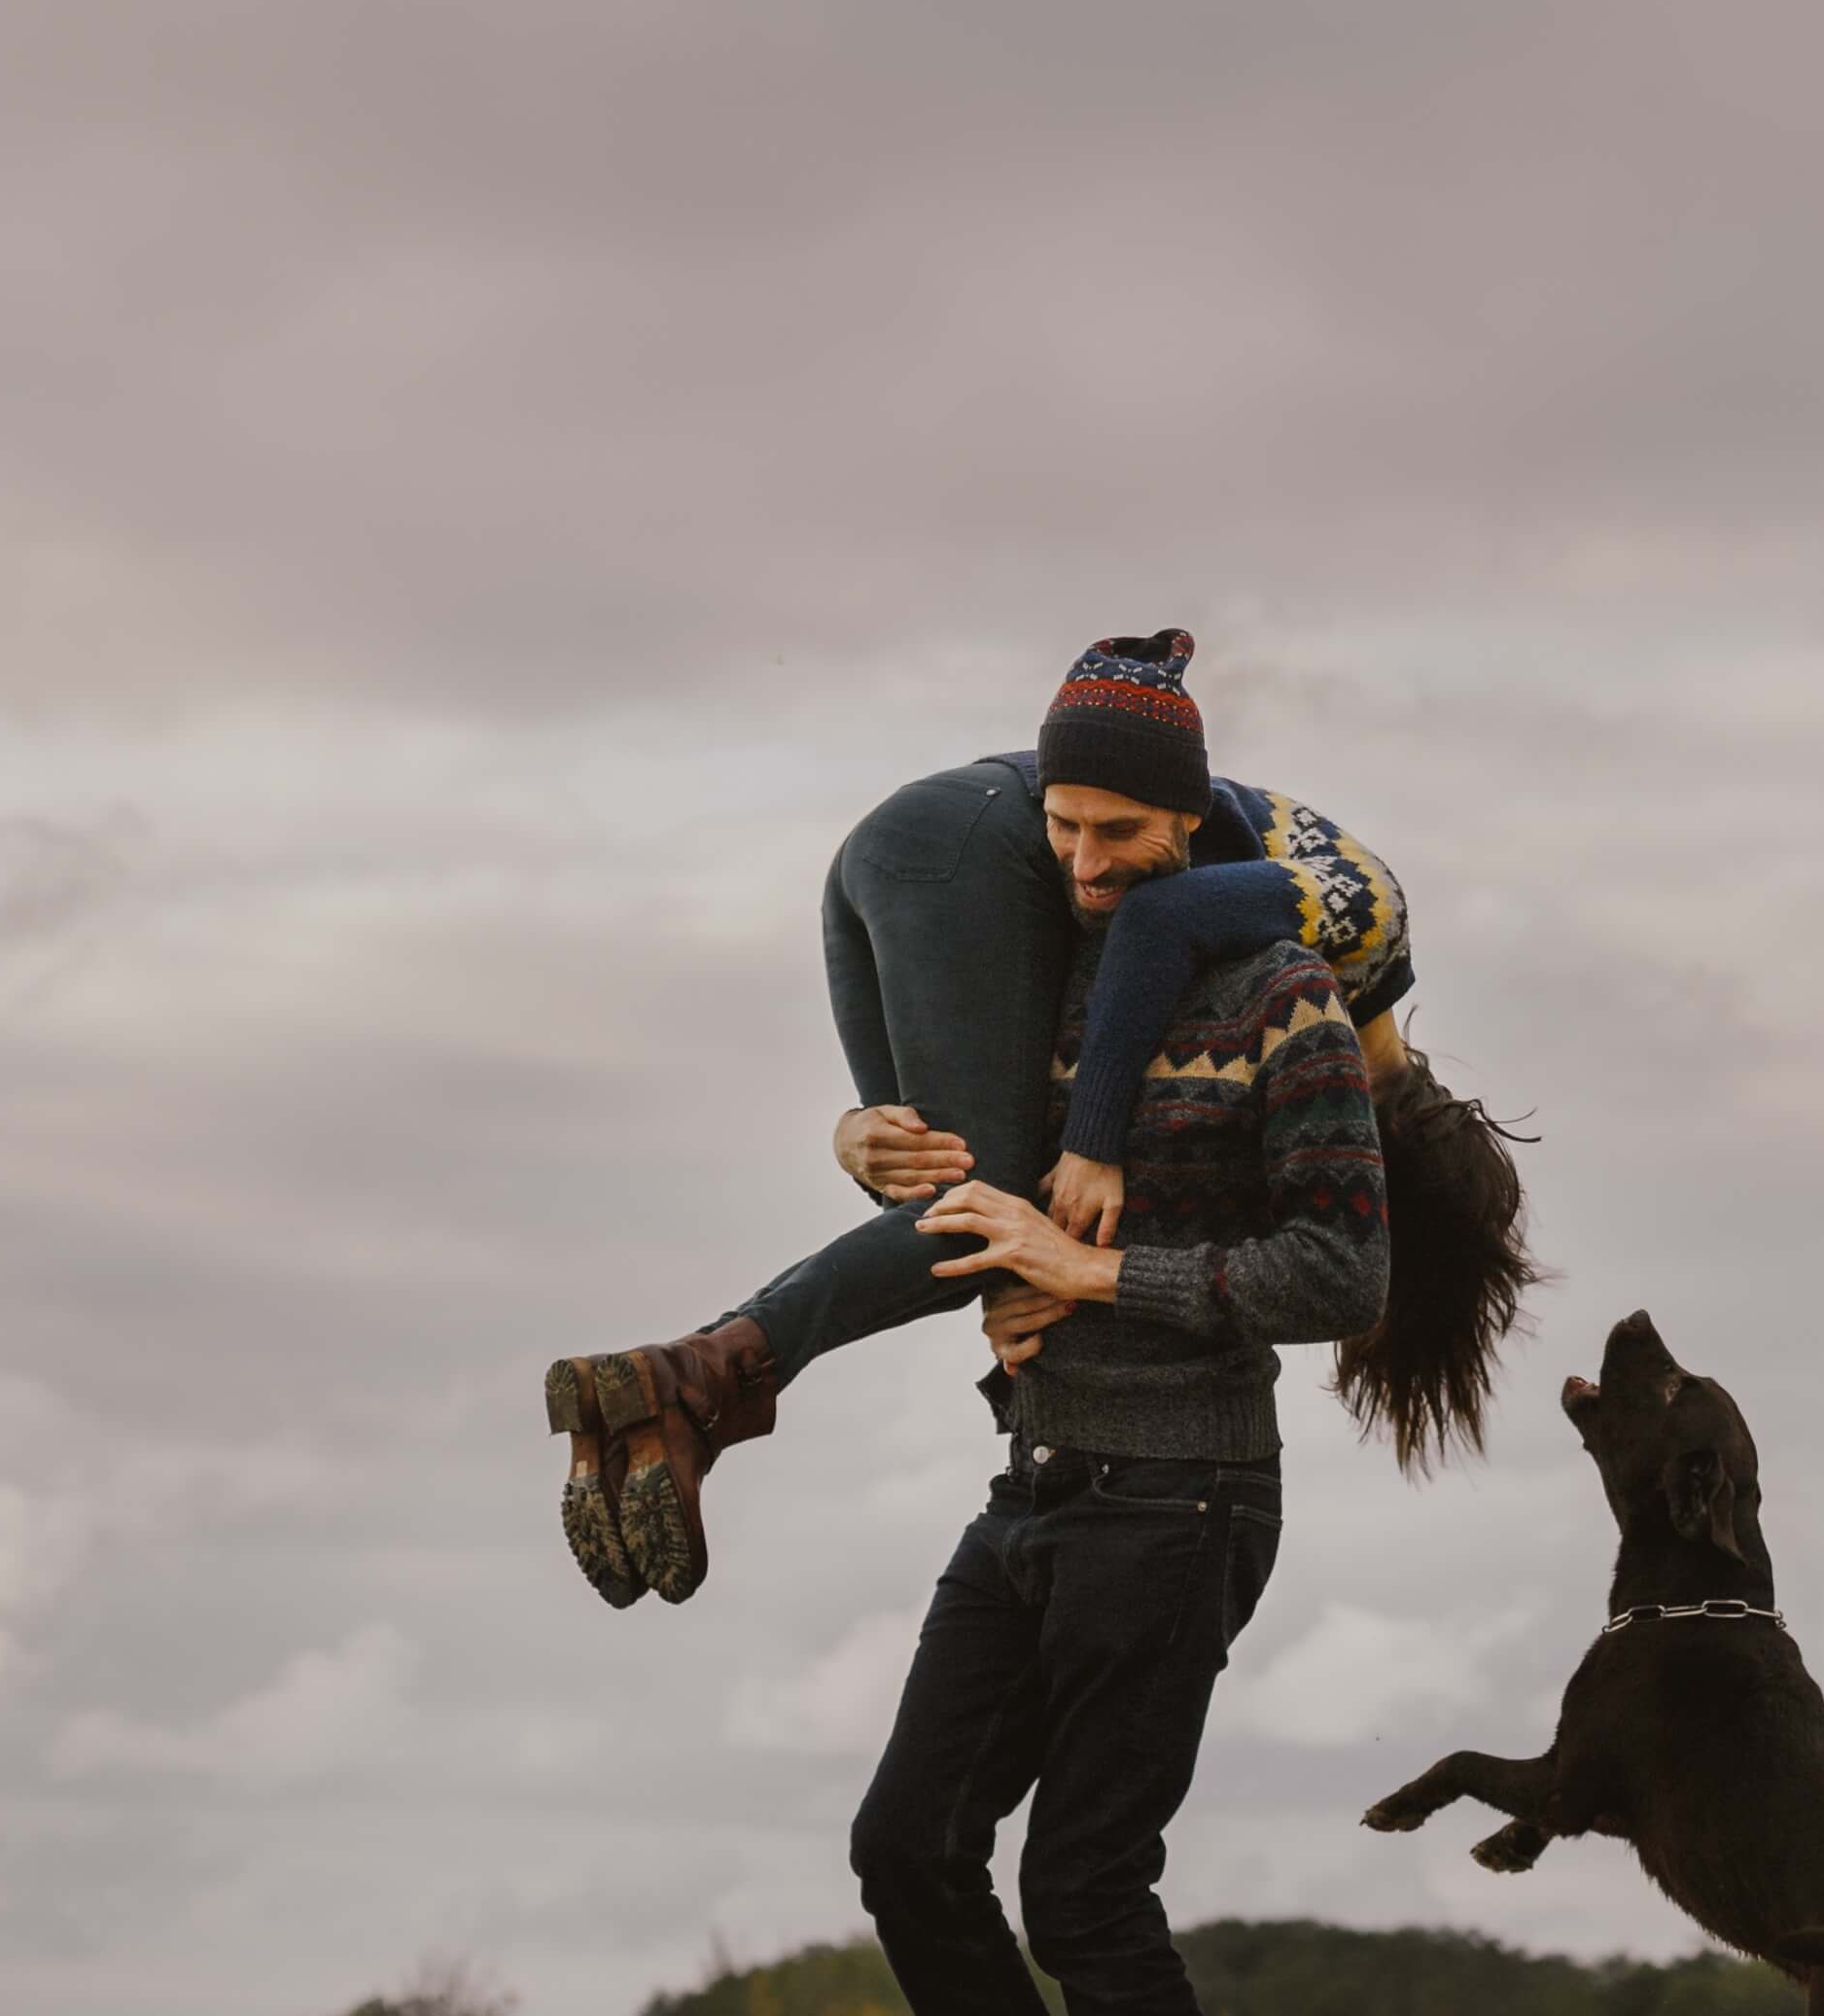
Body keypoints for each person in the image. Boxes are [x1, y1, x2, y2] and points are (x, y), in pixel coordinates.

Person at [546, 633, 1527, 1613]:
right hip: (968, 852)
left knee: (948, 1189)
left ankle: (660, 1400)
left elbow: (1009, 1099)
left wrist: (864, 1144)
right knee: (987, 1196)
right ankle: (697, 1380)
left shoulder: (1191, 927)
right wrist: (1091, 1148)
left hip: (899, 849)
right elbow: (1156, 923)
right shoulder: (1360, 914)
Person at [850, 697, 1388, 2016]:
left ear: (1189, 825)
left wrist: (1094, 1274)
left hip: (1189, 1491)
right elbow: (979, 1187)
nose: (1083, 864)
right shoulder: (1058, 981)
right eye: (1062, 829)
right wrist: (869, 1145)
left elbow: (1341, 1273)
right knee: (907, 1850)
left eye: (1118, 836)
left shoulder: (1279, 998)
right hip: (1035, 1481)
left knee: (1081, 1892)